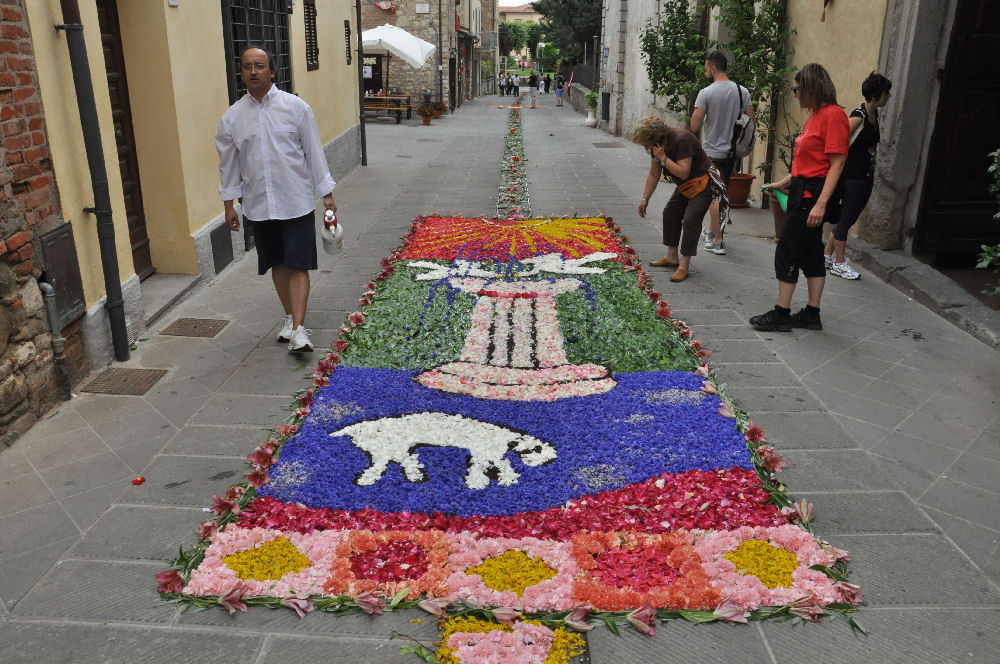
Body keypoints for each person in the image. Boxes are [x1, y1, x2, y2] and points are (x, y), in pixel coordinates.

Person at [216, 46, 336, 353]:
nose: (253, 71)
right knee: (277, 264)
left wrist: (328, 196)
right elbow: (228, 165)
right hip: (259, 205)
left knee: (298, 264)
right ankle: (288, 317)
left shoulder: (296, 108)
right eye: (247, 66)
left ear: (272, 71)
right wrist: (229, 204)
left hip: (295, 200)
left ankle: (299, 329)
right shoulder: (232, 118)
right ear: (241, 73)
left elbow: (314, 153)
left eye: (259, 65)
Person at [752, 63, 848, 332]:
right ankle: (811, 313)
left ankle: (782, 312)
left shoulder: (833, 115)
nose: (794, 95)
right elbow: (807, 163)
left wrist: (820, 203)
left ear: (811, 87)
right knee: (811, 251)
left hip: (812, 196)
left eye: (796, 89)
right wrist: (783, 183)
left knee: (788, 249)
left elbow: (836, 164)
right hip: (803, 190)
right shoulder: (815, 115)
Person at [633, 116, 729, 283]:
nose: (645, 147)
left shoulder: (681, 140)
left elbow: (683, 172)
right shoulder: (657, 146)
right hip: (686, 185)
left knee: (691, 220)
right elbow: (654, 174)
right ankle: (671, 257)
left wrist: (663, 157)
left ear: (655, 137)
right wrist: (645, 198)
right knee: (670, 213)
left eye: (645, 143)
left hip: (703, 183)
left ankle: (684, 264)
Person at [823, 71, 892, 280]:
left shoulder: (874, 115)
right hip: (851, 176)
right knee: (845, 218)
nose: (888, 97)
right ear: (876, 94)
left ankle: (827, 255)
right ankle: (839, 263)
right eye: (886, 93)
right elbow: (838, 141)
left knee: (849, 217)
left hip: (864, 174)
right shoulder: (858, 116)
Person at [690, 51, 754, 256]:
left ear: (713, 68)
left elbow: (694, 124)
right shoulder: (742, 91)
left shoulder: (706, 92)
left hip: (711, 152)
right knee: (722, 192)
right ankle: (713, 231)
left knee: (714, 195)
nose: (705, 71)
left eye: (706, 67)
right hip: (731, 153)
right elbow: (750, 120)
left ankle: (718, 239)